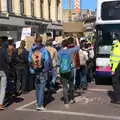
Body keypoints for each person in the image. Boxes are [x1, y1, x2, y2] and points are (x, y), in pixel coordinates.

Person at [28, 36, 51, 111]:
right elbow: (47, 61)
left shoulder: (32, 49)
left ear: (35, 41)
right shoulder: (44, 50)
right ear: (42, 41)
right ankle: (40, 105)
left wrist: (32, 68)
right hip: (42, 70)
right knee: (41, 87)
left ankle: (38, 102)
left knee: (37, 87)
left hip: (35, 70)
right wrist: (46, 69)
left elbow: (29, 60)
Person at [58, 37, 80, 108]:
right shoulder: (71, 50)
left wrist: (58, 72)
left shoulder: (59, 52)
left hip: (62, 71)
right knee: (71, 85)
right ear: (68, 45)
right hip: (70, 70)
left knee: (64, 87)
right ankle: (72, 98)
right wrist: (76, 39)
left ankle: (66, 102)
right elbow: (78, 47)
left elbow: (58, 63)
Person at [110, 38, 120, 104]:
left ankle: (117, 99)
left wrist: (113, 70)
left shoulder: (116, 47)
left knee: (115, 83)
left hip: (117, 67)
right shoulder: (116, 46)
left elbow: (116, 60)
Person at [0, 37, 9, 110]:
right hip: (3, 70)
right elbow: (8, 60)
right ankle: (0, 104)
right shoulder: (4, 50)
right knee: (3, 87)